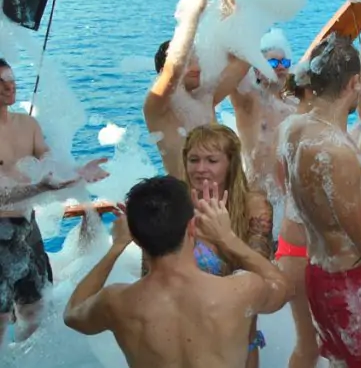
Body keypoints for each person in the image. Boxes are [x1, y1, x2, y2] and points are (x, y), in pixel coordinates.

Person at [63, 176, 288, 368]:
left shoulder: (116, 303)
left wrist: (117, 247)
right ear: (191, 226)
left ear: (135, 235)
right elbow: (283, 287)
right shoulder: (240, 290)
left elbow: (72, 314)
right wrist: (227, 237)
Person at [279, 34, 361, 368]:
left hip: (319, 274)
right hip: (357, 283)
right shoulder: (338, 154)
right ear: (354, 83)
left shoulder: (293, 131)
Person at [0, 58, 109, 348]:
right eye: (1, 82)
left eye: (10, 79)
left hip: (26, 229)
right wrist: (39, 187)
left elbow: (50, 164)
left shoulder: (28, 125)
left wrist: (76, 174)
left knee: (36, 309)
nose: (9, 86)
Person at [178, 124, 274, 366]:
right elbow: (150, 275)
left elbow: (260, 274)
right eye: (194, 159)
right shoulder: (175, 208)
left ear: (230, 164)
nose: (200, 169)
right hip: (186, 339)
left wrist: (223, 237)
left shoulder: (255, 207)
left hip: (239, 340)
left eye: (211, 160)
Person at [144, 0, 251, 179]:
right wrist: (191, 13)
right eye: (188, 61)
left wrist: (232, 19)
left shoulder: (205, 97)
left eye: (197, 59)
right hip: (187, 200)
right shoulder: (157, 107)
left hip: (220, 196)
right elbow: (173, 69)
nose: (196, 67)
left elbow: (242, 63)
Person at [274, 74, 319, 368]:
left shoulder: (288, 128)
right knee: (319, 344)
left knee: (308, 344)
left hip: (292, 246)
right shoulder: (319, 131)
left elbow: (283, 186)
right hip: (309, 252)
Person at [229, 28, 298, 195]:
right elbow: (232, 64)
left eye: (284, 62)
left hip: (289, 195)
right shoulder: (250, 103)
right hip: (260, 194)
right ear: (258, 69)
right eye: (273, 63)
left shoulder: (294, 105)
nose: (280, 67)